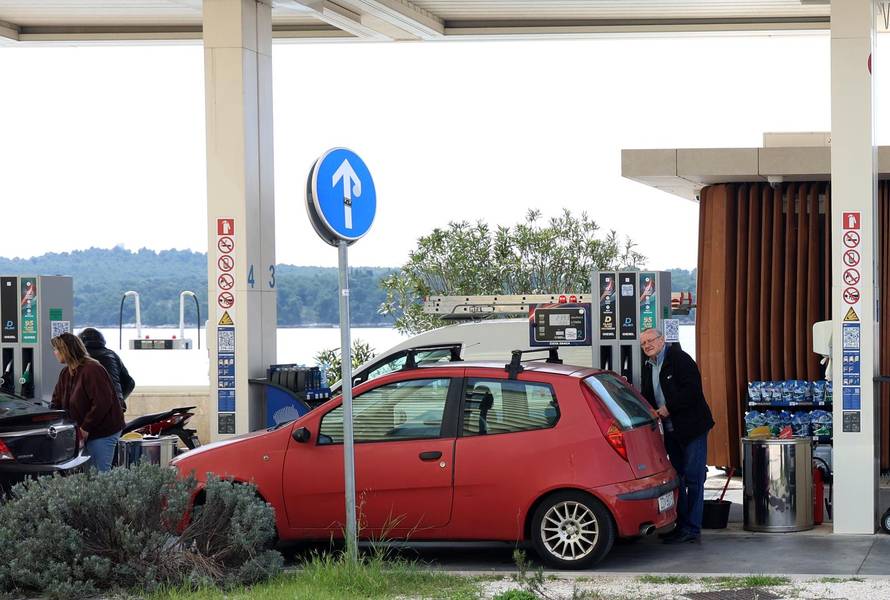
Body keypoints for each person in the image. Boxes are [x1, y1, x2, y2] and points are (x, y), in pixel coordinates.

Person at [639, 327, 714, 544]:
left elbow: (692, 391)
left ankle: (692, 527)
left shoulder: (680, 359)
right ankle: (680, 525)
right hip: (671, 430)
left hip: (692, 429)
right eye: (643, 344)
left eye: (650, 340)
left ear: (662, 340)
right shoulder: (648, 366)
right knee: (677, 478)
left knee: (693, 478)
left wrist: (667, 409)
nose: (647, 346)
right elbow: (647, 396)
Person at [50, 332, 125, 472]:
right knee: (87, 475)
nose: (54, 353)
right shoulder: (66, 373)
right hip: (82, 431)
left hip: (103, 430)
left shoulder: (93, 369)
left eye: (56, 349)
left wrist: (85, 428)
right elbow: (56, 401)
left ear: (65, 350)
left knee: (100, 474)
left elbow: (102, 403)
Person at [78, 327, 135, 412]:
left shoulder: (79, 356)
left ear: (79, 342)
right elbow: (130, 383)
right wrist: (118, 399)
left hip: (89, 408)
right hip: (115, 407)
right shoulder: (112, 355)